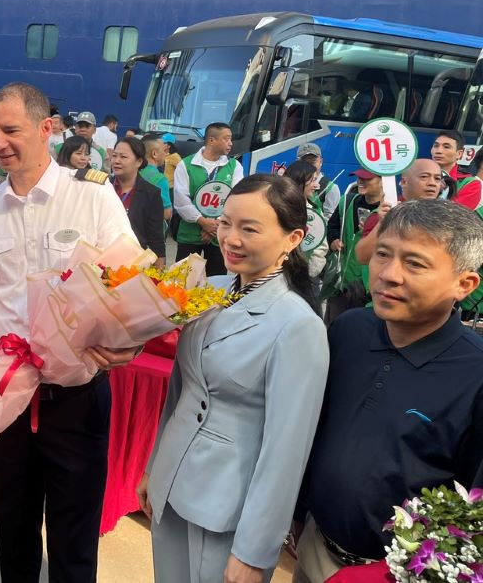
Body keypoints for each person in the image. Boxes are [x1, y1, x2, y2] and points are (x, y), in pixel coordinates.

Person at [0, 82, 141, 583]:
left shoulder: (91, 195)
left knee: (73, 541)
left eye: (11, 130)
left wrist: (129, 341)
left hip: (77, 397)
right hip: (9, 394)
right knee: (14, 535)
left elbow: (130, 279)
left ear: (46, 128)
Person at [140, 174, 329, 583]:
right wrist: (156, 467)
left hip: (226, 507)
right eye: (226, 223)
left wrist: (255, 548)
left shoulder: (298, 325)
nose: (231, 238)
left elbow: (286, 450)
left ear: (293, 239)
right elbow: (182, 392)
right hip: (173, 483)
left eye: (250, 228)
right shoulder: (211, 289)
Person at [292, 200, 483, 582]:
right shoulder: (349, 330)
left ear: (464, 284)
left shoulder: (475, 373)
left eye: (414, 263)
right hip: (315, 545)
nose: (388, 274)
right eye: (382, 254)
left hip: (397, 574)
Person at [172, 122, 244, 276]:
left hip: (220, 235)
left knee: (216, 283)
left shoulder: (234, 166)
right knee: (183, 281)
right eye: (226, 139)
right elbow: (180, 200)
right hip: (190, 235)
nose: (231, 143)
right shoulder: (186, 165)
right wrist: (203, 222)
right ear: (212, 140)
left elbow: (236, 199)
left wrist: (215, 225)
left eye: (231, 139)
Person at [353, 158, 444, 265]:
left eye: (437, 179)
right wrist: (383, 223)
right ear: (404, 182)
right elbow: (362, 257)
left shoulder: (444, 215)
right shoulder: (386, 214)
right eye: (424, 177)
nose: (432, 183)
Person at [325, 169, 383, 323]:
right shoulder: (347, 201)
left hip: (367, 288)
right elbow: (332, 226)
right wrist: (334, 240)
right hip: (339, 282)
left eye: (367, 179)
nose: (360, 182)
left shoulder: (390, 211)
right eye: (358, 178)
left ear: (382, 181)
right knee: (333, 329)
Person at [111, 136, 165, 259]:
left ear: (139, 161)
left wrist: (159, 262)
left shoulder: (151, 194)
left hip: (134, 260)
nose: (116, 161)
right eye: (114, 155)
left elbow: (155, 235)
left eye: (123, 157)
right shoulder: (103, 187)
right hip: (102, 256)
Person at [284, 160, 330, 279]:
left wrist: (308, 273)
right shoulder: (278, 206)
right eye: (313, 180)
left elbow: (321, 247)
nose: (316, 185)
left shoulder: (315, 211)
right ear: (299, 181)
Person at [431, 129, 483, 209]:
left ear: (459, 154)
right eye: (436, 146)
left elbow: (452, 216)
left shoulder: (471, 184)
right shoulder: (419, 174)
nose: (439, 151)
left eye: (446, 147)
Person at [296, 143, 341, 217]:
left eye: (313, 162)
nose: (309, 165)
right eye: (304, 162)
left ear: (321, 162)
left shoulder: (330, 188)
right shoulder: (290, 184)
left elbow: (330, 221)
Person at [139, 133, 174, 225]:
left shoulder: (133, 172)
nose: (166, 153)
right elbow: (167, 213)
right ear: (154, 153)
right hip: (150, 232)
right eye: (164, 150)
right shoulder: (160, 179)